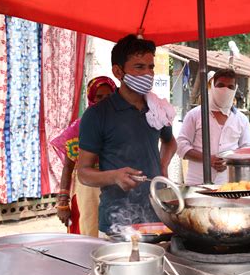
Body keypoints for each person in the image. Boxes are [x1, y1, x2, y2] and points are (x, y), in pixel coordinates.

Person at [77, 34, 177, 237]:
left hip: (157, 214)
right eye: (139, 67)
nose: (148, 74)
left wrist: (162, 166)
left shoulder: (157, 108)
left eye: (151, 67)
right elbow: (83, 173)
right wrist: (114, 176)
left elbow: (169, 141)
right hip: (117, 221)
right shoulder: (97, 115)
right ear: (118, 71)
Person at [53, 76, 116, 237]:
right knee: (87, 234)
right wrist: (62, 202)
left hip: (115, 187)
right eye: (99, 96)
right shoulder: (80, 127)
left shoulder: (121, 125)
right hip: (87, 191)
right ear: (91, 98)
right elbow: (68, 166)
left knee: (114, 238)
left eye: (109, 96)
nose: (104, 101)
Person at [177, 68, 250, 185]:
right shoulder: (195, 115)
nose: (225, 90)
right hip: (197, 183)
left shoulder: (241, 119)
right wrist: (207, 159)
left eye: (230, 87)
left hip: (229, 184)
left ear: (235, 89)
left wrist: (230, 161)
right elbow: (181, 146)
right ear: (212, 86)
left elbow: (248, 150)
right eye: (221, 85)